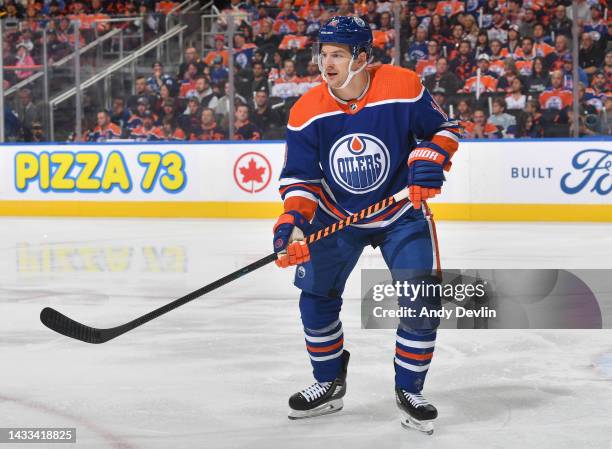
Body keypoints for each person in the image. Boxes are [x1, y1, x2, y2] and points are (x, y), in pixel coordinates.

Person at [274, 16, 460, 433]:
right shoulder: (306, 110)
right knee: (315, 300)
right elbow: (301, 178)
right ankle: (328, 383)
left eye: (337, 54)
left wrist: (430, 157)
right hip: (338, 217)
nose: (327, 63)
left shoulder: (403, 86)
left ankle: (409, 389)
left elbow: (446, 130)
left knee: (421, 297)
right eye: (323, 54)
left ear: (362, 56)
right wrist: (294, 222)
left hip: (400, 214)